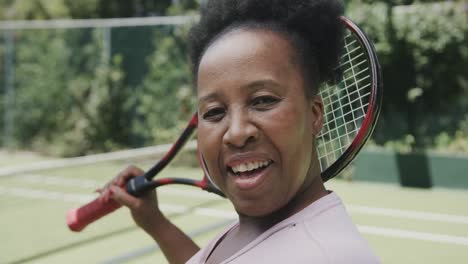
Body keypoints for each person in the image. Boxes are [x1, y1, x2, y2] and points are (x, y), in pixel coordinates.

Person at [99, 0, 380, 263]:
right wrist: (155, 222)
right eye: (214, 112)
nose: (236, 132)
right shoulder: (267, 231)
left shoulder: (329, 255)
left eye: (263, 101)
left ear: (315, 114)